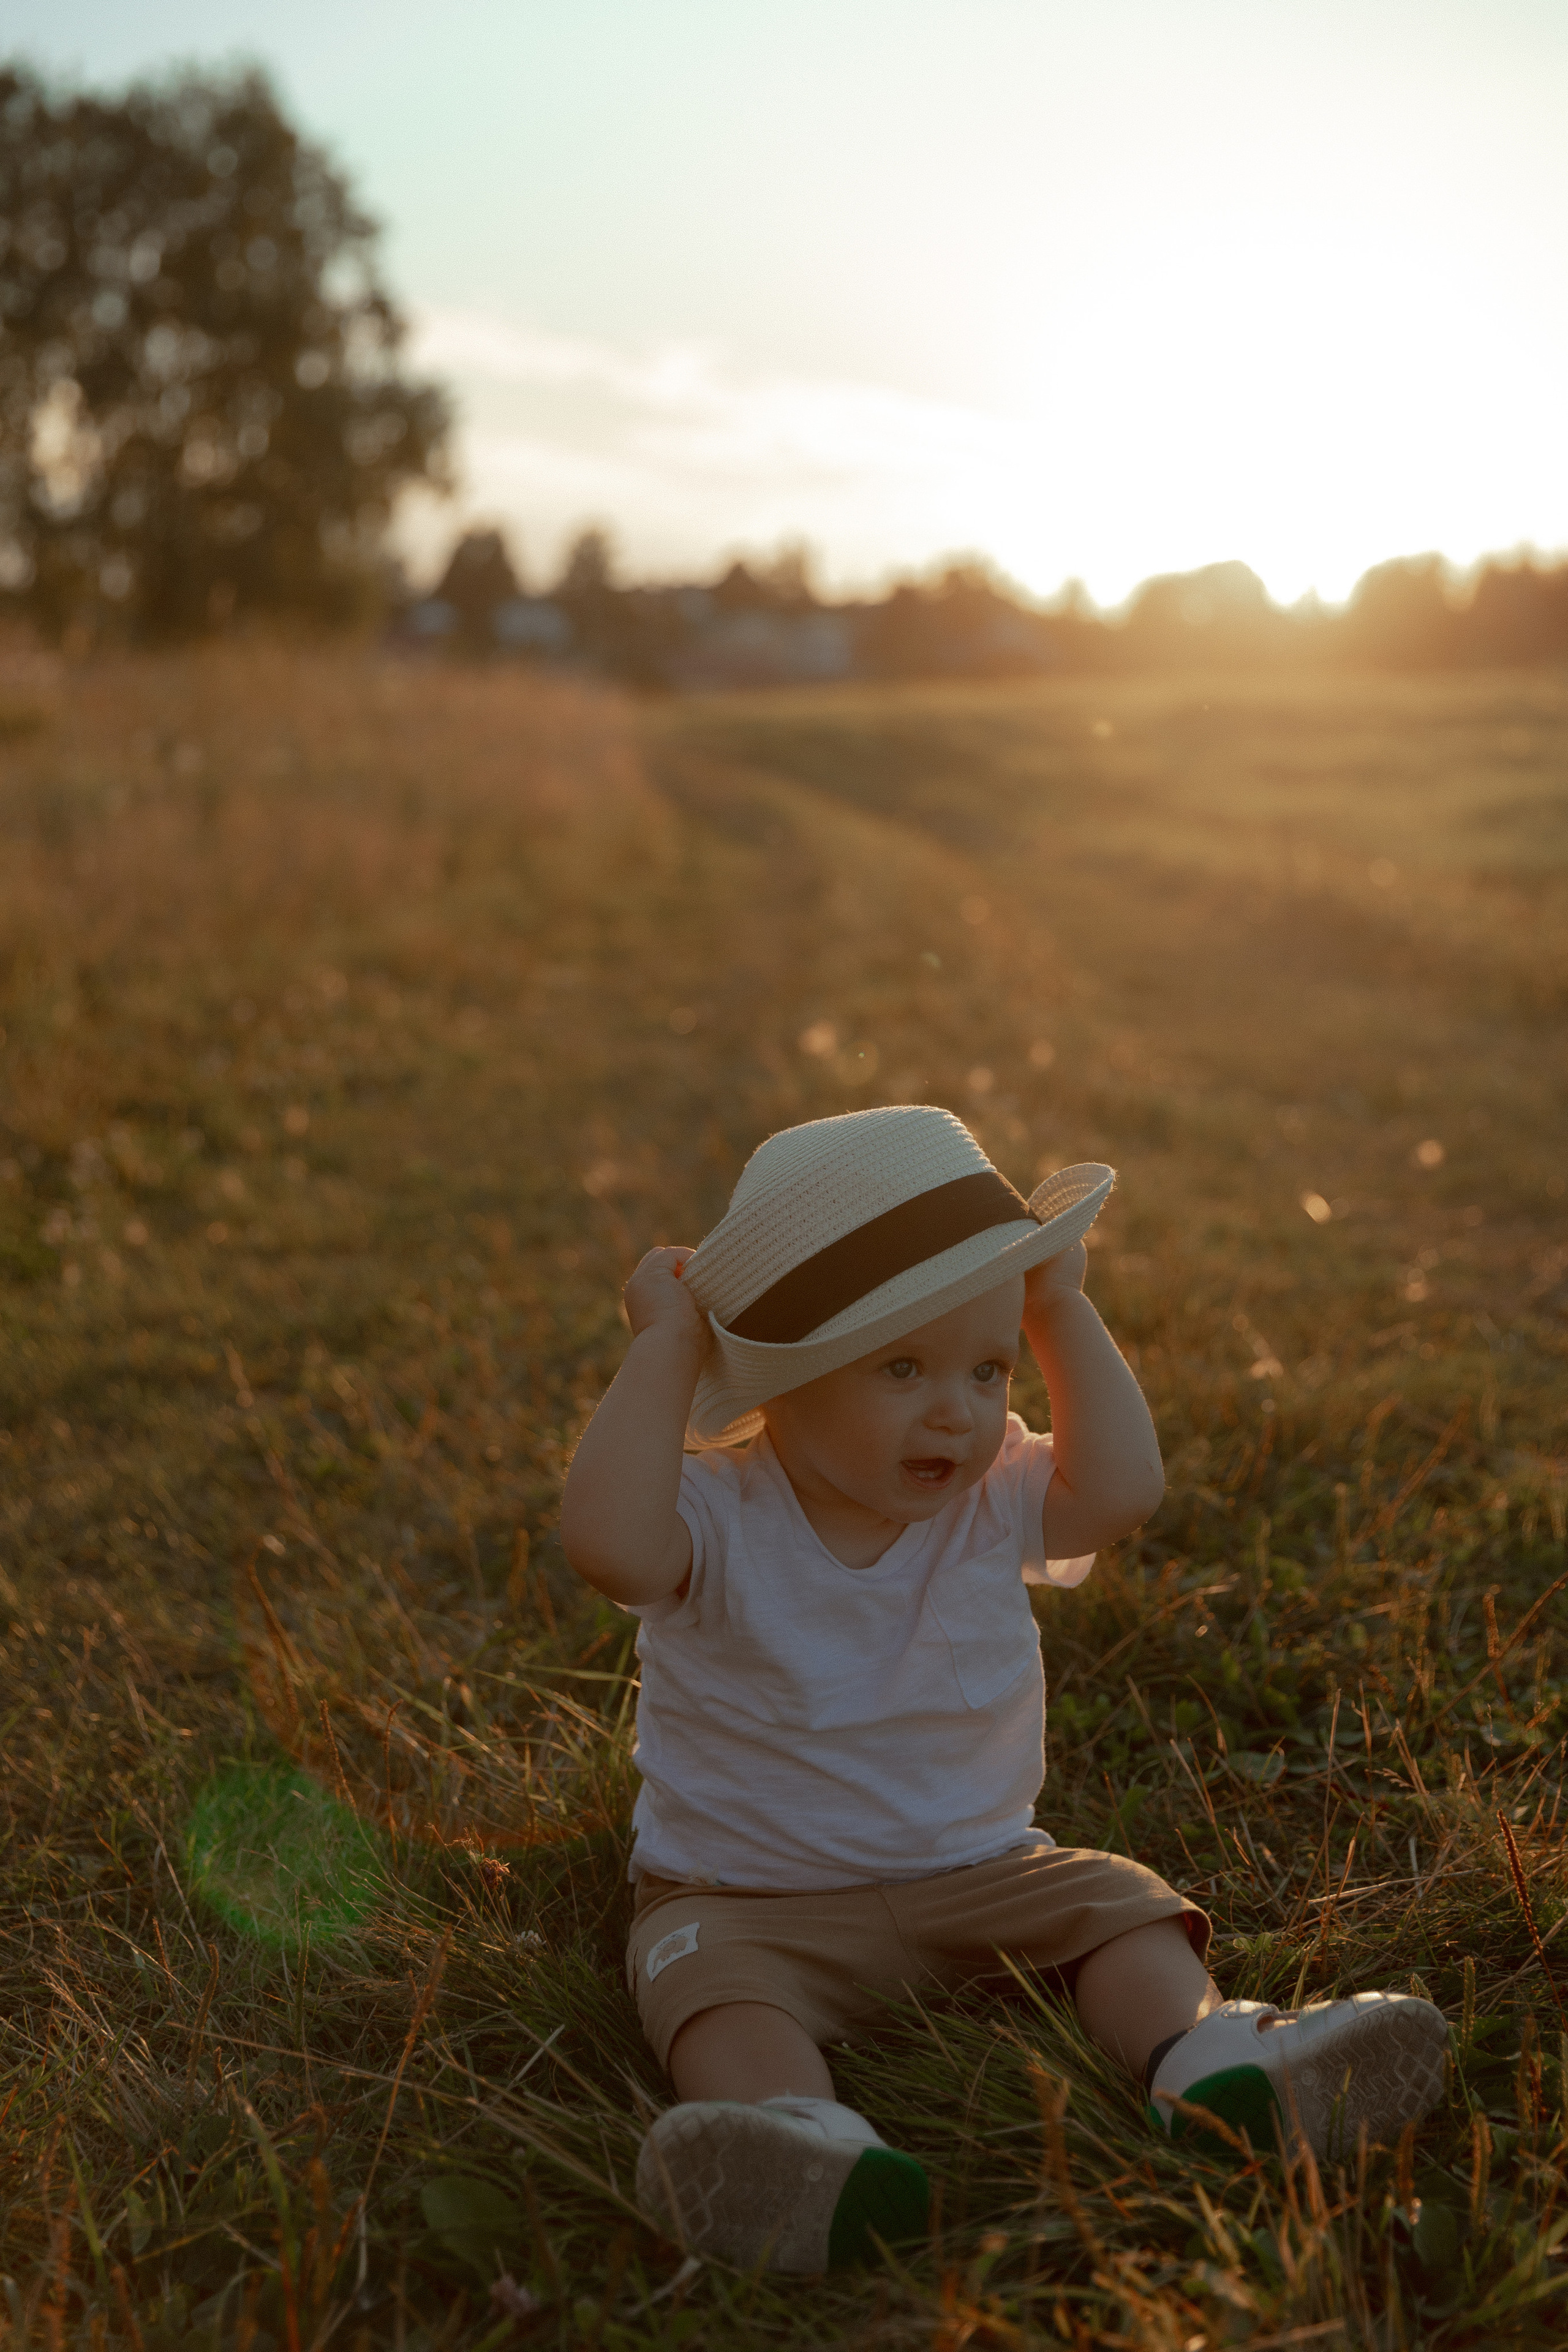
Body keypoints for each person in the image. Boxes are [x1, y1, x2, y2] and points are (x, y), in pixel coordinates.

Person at [560, 1105, 1447, 2273]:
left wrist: (1060, 1308)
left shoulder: (989, 1494)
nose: (958, 1410)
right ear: (789, 1380)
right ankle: (793, 2141)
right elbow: (608, 1547)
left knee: (1119, 1907)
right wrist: (667, 1349)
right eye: (903, 1368)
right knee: (713, 1992)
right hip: (747, 1894)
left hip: (982, 1873)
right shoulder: (718, 1513)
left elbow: (1120, 1489)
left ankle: (1209, 2061)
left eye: (988, 1367)